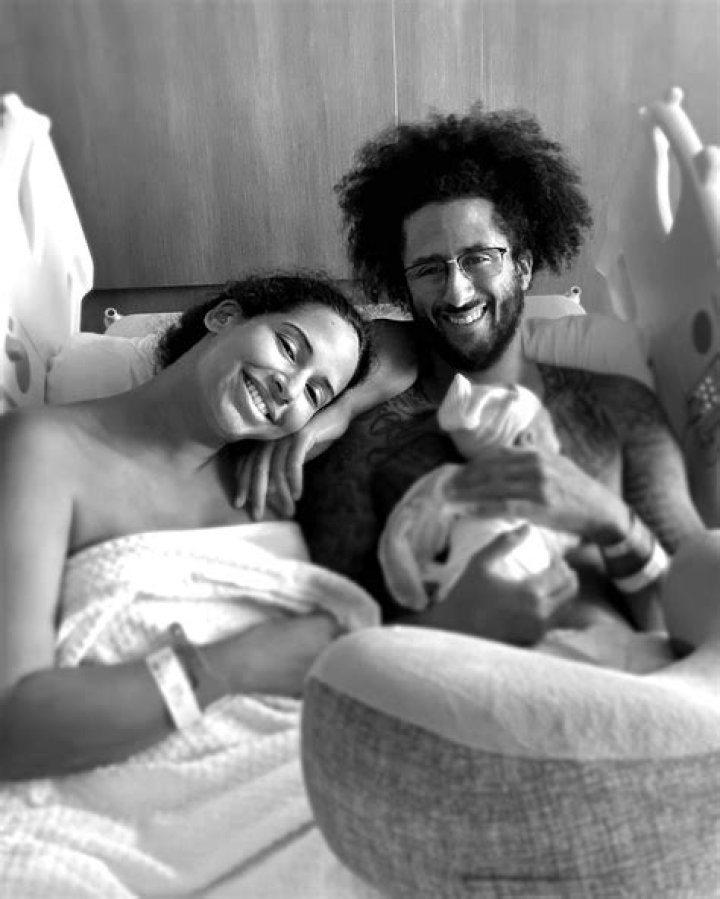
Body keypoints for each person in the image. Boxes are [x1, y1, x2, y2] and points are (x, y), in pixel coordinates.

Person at [276, 103, 707, 650]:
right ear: (403, 286)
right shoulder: (364, 438)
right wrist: (456, 619)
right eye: (429, 269)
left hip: (623, 675)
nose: (457, 292)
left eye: (479, 258)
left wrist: (615, 526)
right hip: (445, 684)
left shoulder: (617, 406)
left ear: (523, 266)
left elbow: (702, 612)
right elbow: (339, 642)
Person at [0, 272, 378, 783]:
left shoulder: (269, 492)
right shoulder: (42, 450)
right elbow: (10, 721)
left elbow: (414, 344)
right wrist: (236, 664)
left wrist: (338, 414)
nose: (289, 389)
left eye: (315, 393)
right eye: (289, 348)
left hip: (301, 764)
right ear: (224, 317)